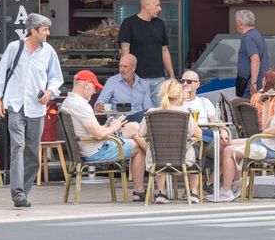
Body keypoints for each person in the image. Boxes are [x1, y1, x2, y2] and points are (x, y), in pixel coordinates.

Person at [0, 13, 63, 208]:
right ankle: (17, 193)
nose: (48, 32)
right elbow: (1, 74)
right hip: (15, 105)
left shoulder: (48, 51)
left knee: (32, 152)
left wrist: (50, 92)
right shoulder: (14, 48)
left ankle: (23, 191)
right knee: (18, 147)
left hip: (37, 108)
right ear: (33, 31)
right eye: (45, 29)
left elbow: (56, 77)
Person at [212, 74, 275, 202]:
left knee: (229, 150)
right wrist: (266, 106)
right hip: (267, 141)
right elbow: (265, 126)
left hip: (274, 147)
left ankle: (226, 190)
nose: (274, 90)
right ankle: (236, 183)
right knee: (227, 143)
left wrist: (266, 131)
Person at [60, 70, 148, 201]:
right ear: (86, 85)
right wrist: (114, 127)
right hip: (96, 150)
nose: (94, 92)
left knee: (134, 127)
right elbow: (99, 135)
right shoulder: (81, 105)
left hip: (88, 145)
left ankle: (156, 160)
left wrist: (111, 126)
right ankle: (142, 186)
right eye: (94, 87)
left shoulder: (68, 102)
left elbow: (95, 131)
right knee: (138, 146)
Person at [138, 79, 201, 204]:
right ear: (178, 96)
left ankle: (161, 193)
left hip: (156, 160)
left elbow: (140, 133)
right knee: (195, 148)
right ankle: (193, 192)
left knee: (158, 148)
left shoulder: (151, 113)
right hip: (182, 159)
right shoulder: (184, 113)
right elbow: (199, 134)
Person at [118, 0, 174, 106]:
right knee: (139, 112)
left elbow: (165, 51)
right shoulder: (129, 23)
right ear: (146, 5)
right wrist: (128, 76)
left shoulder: (160, 24)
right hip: (138, 78)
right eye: (157, 5)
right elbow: (125, 51)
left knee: (161, 113)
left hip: (159, 78)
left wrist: (172, 75)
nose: (160, 8)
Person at [95, 54, 153, 123]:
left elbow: (148, 108)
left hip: (140, 121)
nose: (122, 70)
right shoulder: (112, 81)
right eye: (120, 66)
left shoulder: (144, 84)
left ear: (134, 67)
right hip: (121, 121)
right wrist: (100, 106)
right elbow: (100, 102)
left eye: (125, 67)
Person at [234, 10, 269, 98]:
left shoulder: (248, 37)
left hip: (251, 84)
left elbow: (255, 59)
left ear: (239, 22)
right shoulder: (257, 34)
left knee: (249, 110)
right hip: (260, 81)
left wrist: (253, 83)